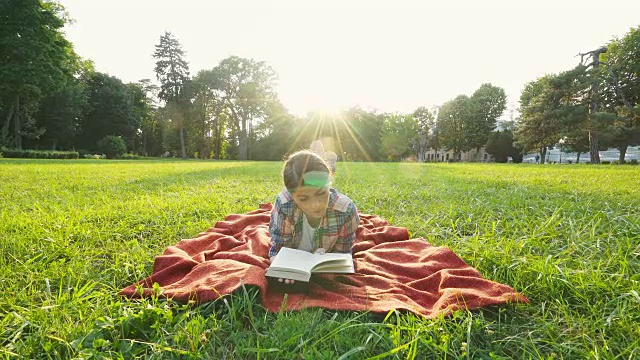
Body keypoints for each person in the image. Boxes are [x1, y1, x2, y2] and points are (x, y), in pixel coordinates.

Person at [268, 150, 360, 284]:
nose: (316, 205)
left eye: (321, 193)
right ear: (292, 196)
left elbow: (342, 256)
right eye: (304, 199)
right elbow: (278, 249)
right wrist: (282, 268)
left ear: (329, 184)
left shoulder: (345, 210)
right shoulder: (284, 204)